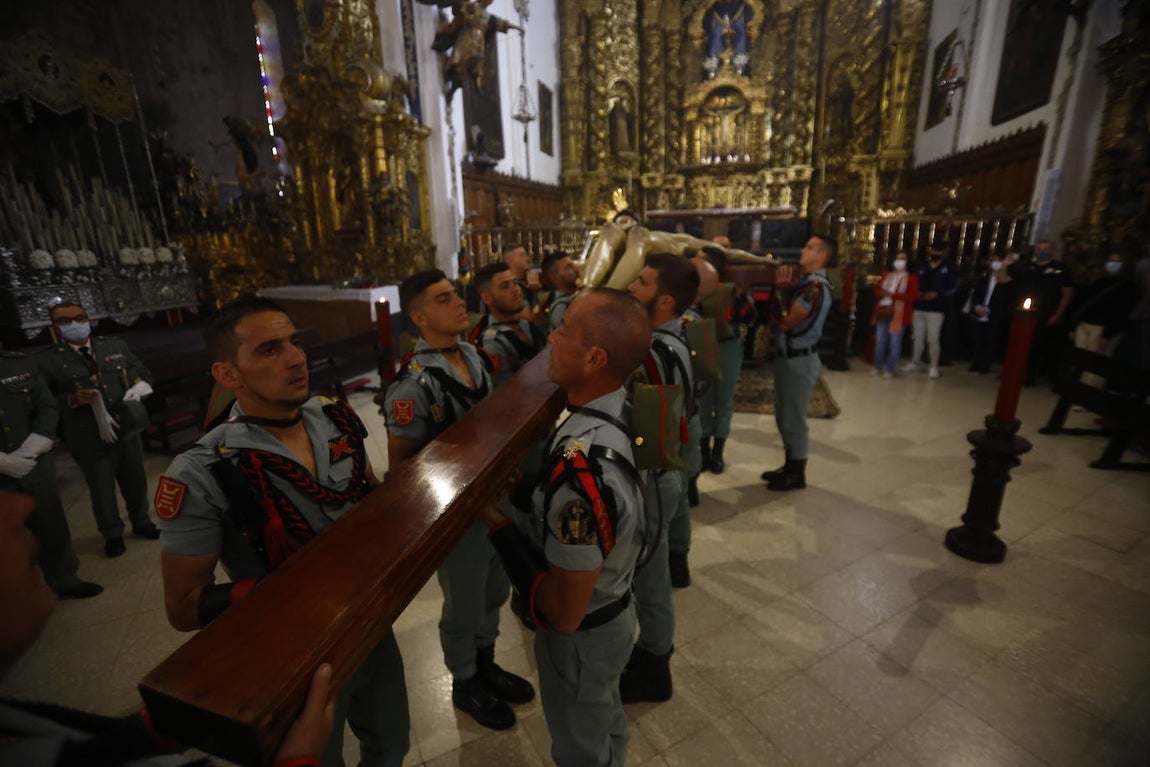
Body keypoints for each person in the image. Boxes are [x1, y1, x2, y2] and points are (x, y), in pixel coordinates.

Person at [155, 296, 409, 767]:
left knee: (392, 744)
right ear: (228, 375)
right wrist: (294, 586)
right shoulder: (204, 470)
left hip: (370, 624)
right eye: (269, 350)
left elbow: (366, 494)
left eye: (294, 342)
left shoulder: (333, 417)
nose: (296, 358)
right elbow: (184, 607)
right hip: (293, 655)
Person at [0, 489, 337, 766]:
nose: (21, 504)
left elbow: (66, 746)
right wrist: (298, 762)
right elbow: (184, 607)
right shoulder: (202, 467)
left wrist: (161, 728)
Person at [480, 288, 650, 767]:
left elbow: (564, 612)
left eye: (566, 330)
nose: (552, 335)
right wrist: (527, 494)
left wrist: (497, 527)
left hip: (584, 640)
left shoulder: (584, 472)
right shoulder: (611, 412)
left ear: (594, 358)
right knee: (605, 721)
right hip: (614, 608)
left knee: (581, 749)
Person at [382, 270, 534, 731]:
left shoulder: (471, 353)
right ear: (419, 316)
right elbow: (402, 467)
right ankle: (465, 680)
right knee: (464, 600)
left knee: (495, 588)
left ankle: (486, 661)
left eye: (456, 295)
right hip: (455, 511)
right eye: (444, 299)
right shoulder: (413, 384)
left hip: (495, 497)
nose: (458, 303)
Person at [615, 253, 700, 704]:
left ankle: (655, 663)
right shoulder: (674, 337)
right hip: (664, 470)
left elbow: (649, 438)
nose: (632, 286)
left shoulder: (653, 353)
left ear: (664, 299)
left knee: (651, 578)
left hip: (653, 477)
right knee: (652, 571)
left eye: (642, 283)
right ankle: (652, 653)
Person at [37, 301, 160, 558]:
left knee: (135, 479)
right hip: (87, 433)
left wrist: (141, 388)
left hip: (124, 426)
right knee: (102, 487)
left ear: (88, 318)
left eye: (79, 317)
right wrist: (71, 399)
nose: (74, 324)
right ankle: (112, 533)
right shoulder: (47, 359)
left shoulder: (113, 346)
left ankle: (141, 522)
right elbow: (43, 401)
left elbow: (142, 372)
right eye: (65, 320)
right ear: (54, 326)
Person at [0, 351, 101, 599]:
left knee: (50, 522)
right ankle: (16, 595)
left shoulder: (18, 362)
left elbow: (46, 404)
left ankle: (64, 578)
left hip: (34, 459)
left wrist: (36, 443)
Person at [761, 236, 835, 491]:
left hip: (799, 360)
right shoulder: (806, 284)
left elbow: (788, 321)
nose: (803, 250)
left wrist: (781, 289)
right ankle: (789, 465)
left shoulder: (815, 287)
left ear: (823, 255)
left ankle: (797, 474)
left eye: (810, 247)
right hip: (789, 357)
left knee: (793, 419)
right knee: (784, 415)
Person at [1067, 252, 1140, 387]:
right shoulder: (1100, 282)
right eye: (1111, 261)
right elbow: (1086, 305)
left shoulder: (1128, 287)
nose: (1113, 265)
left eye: (1117, 262)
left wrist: (1108, 334)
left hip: (1103, 328)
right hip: (1086, 324)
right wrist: (1075, 326)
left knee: (1096, 363)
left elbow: (1122, 313)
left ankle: (1088, 393)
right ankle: (1075, 389)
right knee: (1080, 359)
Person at [1012, 239, 1075, 386]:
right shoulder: (1028, 267)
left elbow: (1067, 293)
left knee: (1040, 346)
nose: (1041, 251)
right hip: (1024, 313)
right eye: (1039, 248)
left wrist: (1058, 313)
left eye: (1045, 248)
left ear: (1053, 251)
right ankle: (1018, 372)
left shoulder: (1060, 269)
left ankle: (1034, 376)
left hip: (1047, 313)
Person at [472, 262, 547, 384]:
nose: (516, 290)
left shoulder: (526, 325)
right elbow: (508, 393)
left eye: (515, 283)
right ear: (487, 298)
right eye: (505, 286)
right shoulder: (493, 342)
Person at [904, 239, 957, 379]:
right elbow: (913, 282)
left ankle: (934, 366)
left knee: (933, 338)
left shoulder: (949, 268)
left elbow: (953, 288)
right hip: (919, 307)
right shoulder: (921, 265)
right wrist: (917, 293)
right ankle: (915, 362)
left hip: (936, 309)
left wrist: (937, 294)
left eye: (938, 251)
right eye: (933, 250)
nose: (935, 253)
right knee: (917, 337)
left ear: (944, 252)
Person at [871, 252, 919, 379]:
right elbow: (876, 291)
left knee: (894, 342)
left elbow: (913, 296)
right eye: (898, 258)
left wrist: (893, 295)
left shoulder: (911, 278)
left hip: (900, 314)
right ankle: (877, 366)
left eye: (903, 259)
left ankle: (890, 368)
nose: (899, 261)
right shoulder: (887, 275)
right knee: (880, 341)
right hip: (883, 311)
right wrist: (882, 293)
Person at [964, 253, 1013, 374]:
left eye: (997, 261)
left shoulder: (1006, 280)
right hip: (979, 312)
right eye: (993, 261)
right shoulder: (984, 278)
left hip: (993, 314)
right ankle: (976, 362)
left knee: (989, 340)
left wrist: (989, 308)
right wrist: (977, 307)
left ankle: (985, 365)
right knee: (977, 339)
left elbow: (1004, 299)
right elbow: (976, 294)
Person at [502, 242, 541, 322]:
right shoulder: (510, 287)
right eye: (522, 255)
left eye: (526, 255)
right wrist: (534, 292)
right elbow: (529, 319)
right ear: (509, 260)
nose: (528, 259)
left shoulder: (528, 282)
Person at [542, 250, 580, 332]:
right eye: (568, 267)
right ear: (554, 277)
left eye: (574, 265)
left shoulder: (579, 294)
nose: (576, 269)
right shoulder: (560, 308)